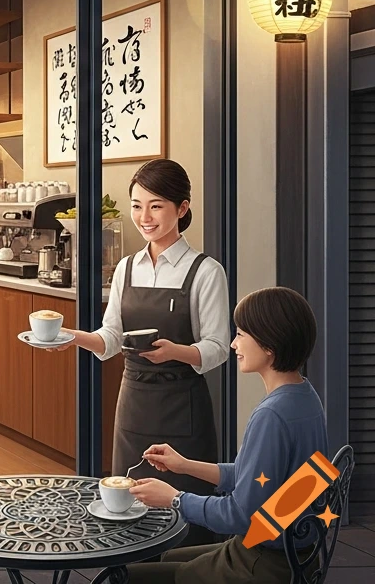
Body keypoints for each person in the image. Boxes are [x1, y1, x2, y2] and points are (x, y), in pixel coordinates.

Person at [56, 160, 229, 526]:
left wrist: (174, 352)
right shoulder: (127, 267)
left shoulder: (206, 271)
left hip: (183, 409)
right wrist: (70, 337)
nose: (144, 217)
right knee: (129, 507)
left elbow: (217, 347)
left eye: (156, 206)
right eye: (137, 206)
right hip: (134, 404)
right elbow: (111, 338)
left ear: (182, 208)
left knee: (183, 515)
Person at [124, 287, 328, 584]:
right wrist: (185, 465)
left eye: (241, 334)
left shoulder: (271, 415)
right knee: (169, 558)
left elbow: (240, 515)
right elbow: (258, 480)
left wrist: (174, 499)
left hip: (264, 563)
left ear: (269, 345)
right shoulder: (305, 398)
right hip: (297, 555)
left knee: (124, 577)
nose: (234, 344)